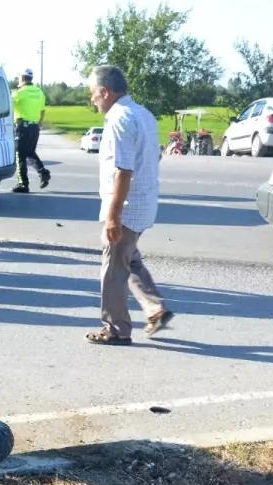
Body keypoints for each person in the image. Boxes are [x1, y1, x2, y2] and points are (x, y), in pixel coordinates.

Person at [85, 65, 173, 346]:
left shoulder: (120, 119)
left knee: (113, 270)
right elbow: (153, 157)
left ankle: (116, 329)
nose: (92, 100)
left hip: (126, 207)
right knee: (129, 260)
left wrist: (113, 216)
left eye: (93, 94)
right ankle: (155, 308)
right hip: (143, 203)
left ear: (105, 91)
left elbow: (123, 170)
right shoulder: (143, 114)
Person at [12, 69, 51, 193]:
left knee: (20, 155)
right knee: (30, 153)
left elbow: (7, 104)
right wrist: (39, 122)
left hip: (23, 127)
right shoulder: (39, 92)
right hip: (34, 127)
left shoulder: (19, 93)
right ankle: (43, 172)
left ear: (23, 78)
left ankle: (23, 184)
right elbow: (42, 110)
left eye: (19, 77)